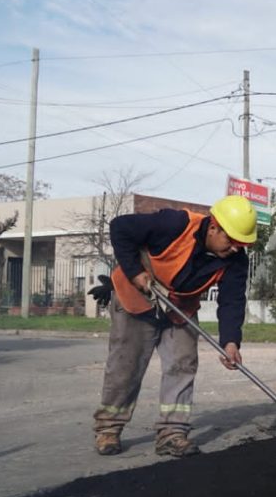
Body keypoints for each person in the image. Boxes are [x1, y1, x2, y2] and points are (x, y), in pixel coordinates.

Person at [88, 195, 257, 457]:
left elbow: (232, 300)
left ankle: (172, 433)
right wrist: (135, 273)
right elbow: (120, 227)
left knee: (183, 364)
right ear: (213, 227)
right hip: (137, 298)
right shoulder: (175, 224)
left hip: (180, 307)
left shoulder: (235, 260)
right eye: (232, 241)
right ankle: (109, 428)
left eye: (242, 244)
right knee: (126, 366)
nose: (236, 248)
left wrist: (230, 341)